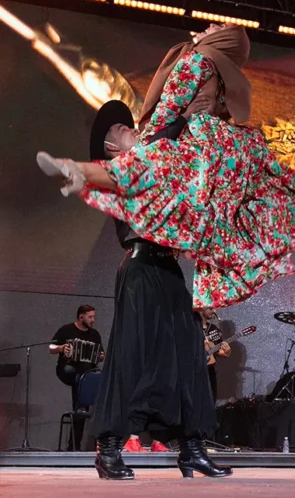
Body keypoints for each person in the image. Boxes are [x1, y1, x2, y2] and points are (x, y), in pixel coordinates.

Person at [36, 23, 295, 311]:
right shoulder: (199, 124)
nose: (208, 28)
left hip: (180, 227)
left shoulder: (206, 96)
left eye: (215, 30)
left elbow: (165, 115)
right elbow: (292, 181)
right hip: (159, 250)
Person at [82, 103, 229, 480]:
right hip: (140, 268)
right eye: (121, 128)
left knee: (189, 357)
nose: (131, 129)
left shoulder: (155, 168)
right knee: (130, 357)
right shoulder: (116, 172)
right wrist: (181, 119)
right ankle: (109, 448)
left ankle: (193, 449)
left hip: (168, 269)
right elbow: (161, 141)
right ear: (112, 148)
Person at [49, 305, 103, 451]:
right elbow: (51, 348)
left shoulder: (94, 335)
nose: (93, 320)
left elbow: (101, 354)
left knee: (94, 379)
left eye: (94, 317)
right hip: (67, 369)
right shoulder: (66, 330)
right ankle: (81, 405)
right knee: (78, 378)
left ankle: (76, 445)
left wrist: (100, 356)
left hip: (87, 372)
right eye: (90, 317)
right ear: (81, 317)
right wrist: (61, 348)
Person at [199, 307, 232, 403]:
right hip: (192, 372)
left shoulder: (213, 329)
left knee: (210, 401)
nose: (214, 311)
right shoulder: (189, 327)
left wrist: (227, 352)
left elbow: (219, 353)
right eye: (210, 308)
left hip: (209, 372)